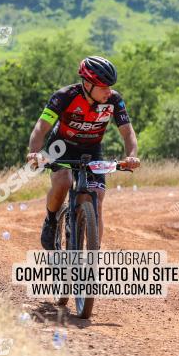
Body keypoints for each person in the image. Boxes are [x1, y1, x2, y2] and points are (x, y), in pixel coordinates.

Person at [26, 56, 140, 249]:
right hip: (62, 146)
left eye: (110, 86)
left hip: (91, 149)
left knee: (97, 199)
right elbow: (40, 128)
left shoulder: (114, 100)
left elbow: (127, 132)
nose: (108, 91)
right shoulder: (64, 96)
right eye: (103, 86)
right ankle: (51, 221)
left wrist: (131, 155)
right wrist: (34, 153)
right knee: (64, 182)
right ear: (87, 84)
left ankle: (93, 258)